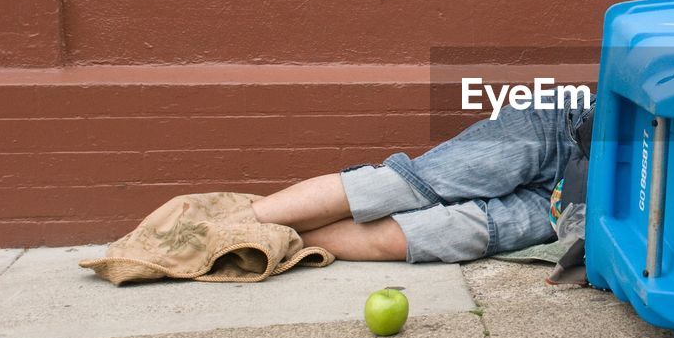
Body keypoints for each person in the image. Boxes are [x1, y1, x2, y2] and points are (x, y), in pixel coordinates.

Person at [249, 104, 593, 268]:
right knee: (401, 186)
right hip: (562, 134)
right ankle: (229, 222)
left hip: (571, 204)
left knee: (446, 233)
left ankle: (262, 241)